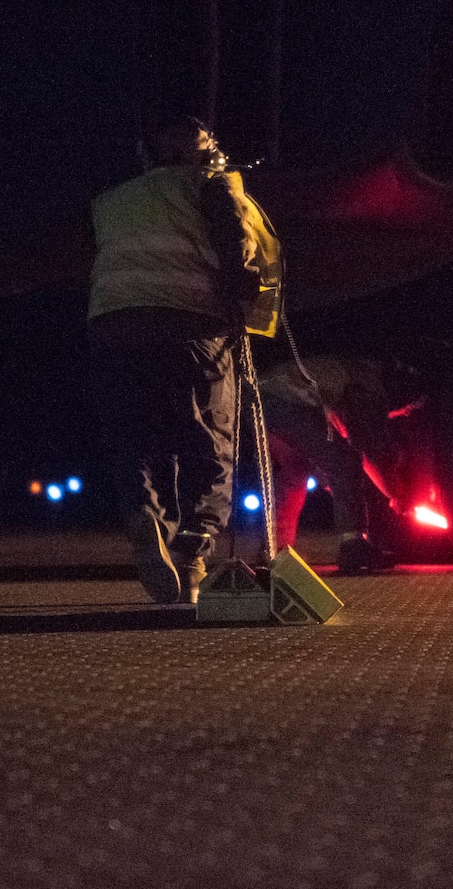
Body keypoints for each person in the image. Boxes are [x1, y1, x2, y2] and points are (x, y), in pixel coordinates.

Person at [87, 110, 280, 605]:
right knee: (209, 436)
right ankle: (193, 552)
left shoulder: (113, 200)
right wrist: (243, 296)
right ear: (207, 151)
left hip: (115, 328)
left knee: (136, 436)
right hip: (191, 324)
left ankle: (146, 517)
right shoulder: (211, 184)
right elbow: (234, 241)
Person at [257, 355, 395, 573]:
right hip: (281, 400)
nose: (407, 413)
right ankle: (354, 547)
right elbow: (362, 448)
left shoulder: (358, 376)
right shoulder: (368, 388)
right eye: (409, 409)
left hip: (259, 398)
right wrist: (395, 495)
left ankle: (275, 550)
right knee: (345, 461)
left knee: (296, 468)